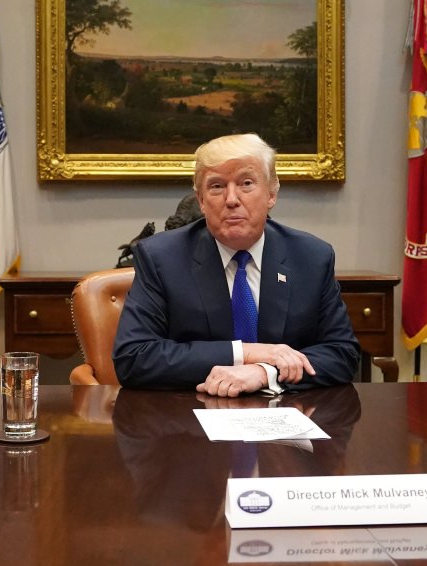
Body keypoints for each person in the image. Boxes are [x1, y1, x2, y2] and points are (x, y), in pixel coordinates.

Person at [112, 133, 359, 395]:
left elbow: (341, 353)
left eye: (247, 183)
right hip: (189, 418)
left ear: (271, 194)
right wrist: (246, 352)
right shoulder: (161, 257)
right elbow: (133, 357)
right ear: (201, 200)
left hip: (286, 420)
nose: (231, 199)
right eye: (217, 186)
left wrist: (264, 372)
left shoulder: (310, 257)